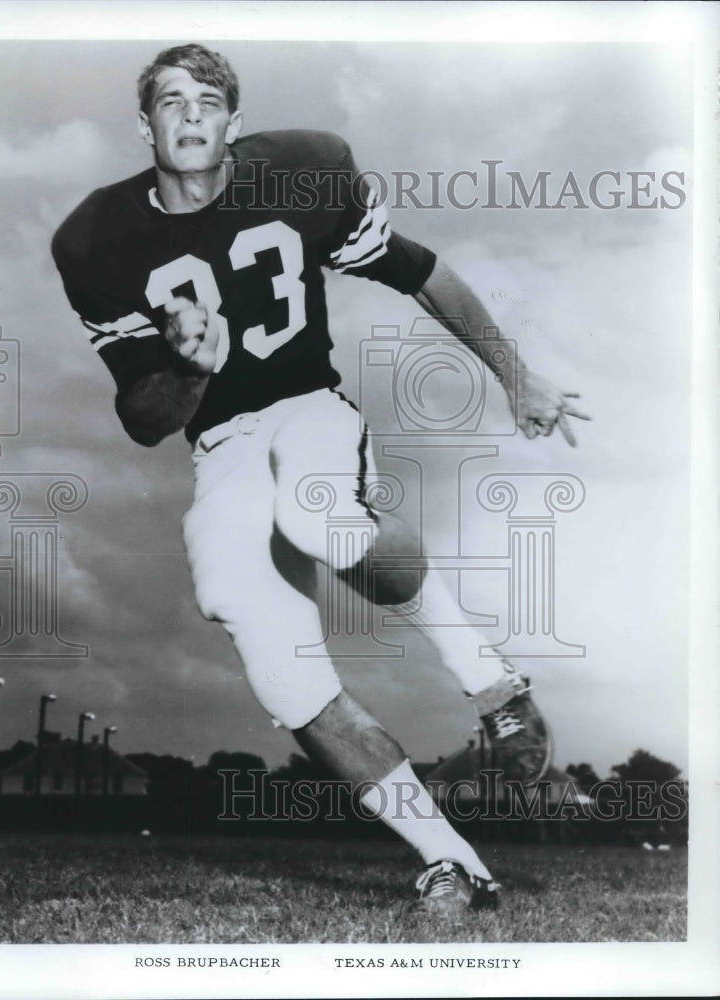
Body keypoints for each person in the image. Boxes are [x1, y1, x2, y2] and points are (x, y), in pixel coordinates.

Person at [52, 43, 590, 913]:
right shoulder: (98, 240)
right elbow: (145, 419)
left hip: (311, 406)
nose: (189, 114)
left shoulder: (301, 175)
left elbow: (422, 274)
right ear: (143, 123)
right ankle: (453, 864)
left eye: (208, 101)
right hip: (220, 441)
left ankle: (492, 682)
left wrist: (516, 374)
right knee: (265, 648)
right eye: (170, 101)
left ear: (233, 120)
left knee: (317, 515)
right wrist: (191, 367)